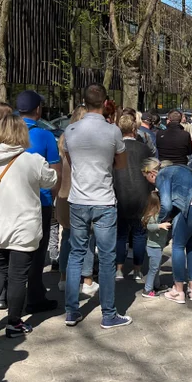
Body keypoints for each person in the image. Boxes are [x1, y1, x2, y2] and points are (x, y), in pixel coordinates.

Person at [0, 114, 56, 337]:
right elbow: (51, 180)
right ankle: (14, 323)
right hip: (23, 228)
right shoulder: (31, 160)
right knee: (18, 276)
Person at [62, 83, 131, 329]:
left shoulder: (70, 130)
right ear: (105, 103)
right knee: (107, 257)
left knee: (76, 255)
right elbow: (121, 166)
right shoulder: (113, 132)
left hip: (78, 200)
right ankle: (108, 313)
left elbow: (70, 161)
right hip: (103, 200)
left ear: (83, 102)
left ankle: (71, 311)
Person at [141, 159, 192, 303]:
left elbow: (167, 205)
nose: (150, 182)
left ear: (151, 173)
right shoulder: (177, 168)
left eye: (147, 178)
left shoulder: (162, 174)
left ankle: (178, 291)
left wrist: (160, 220)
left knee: (178, 245)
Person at [18, 90, 62, 314]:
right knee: (36, 249)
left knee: (11, 249)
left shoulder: (4, 133)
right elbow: (56, 170)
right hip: (39, 200)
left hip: (10, 201)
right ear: (38, 110)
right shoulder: (44, 136)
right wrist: (52, 196)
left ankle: (5, 296)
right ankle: (34, 296)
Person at [55, 106, 97, 297]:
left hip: (64, 195)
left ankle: (63, 278)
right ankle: (86, 279)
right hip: (83, 195)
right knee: (86, 237)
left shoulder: (63, 140)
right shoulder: (87, 143)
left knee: (67, 238)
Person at [114, 114, 152, 282]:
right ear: (135, 129)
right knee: (139, 233)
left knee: (120, 234)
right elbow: (152, 173)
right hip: (141, 195)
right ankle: (137, 269)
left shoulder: (114, 148)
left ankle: (119, 269)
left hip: (119, 194)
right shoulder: (144, 149)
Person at [140, 190, 171, 299]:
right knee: (153, 268)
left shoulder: (158, 214)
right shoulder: (152, 216)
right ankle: (147, 289)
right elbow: (149, 227)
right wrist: (160, 226)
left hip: (158, 246)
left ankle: (156, 285)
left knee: (156, 267)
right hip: (153, 246)